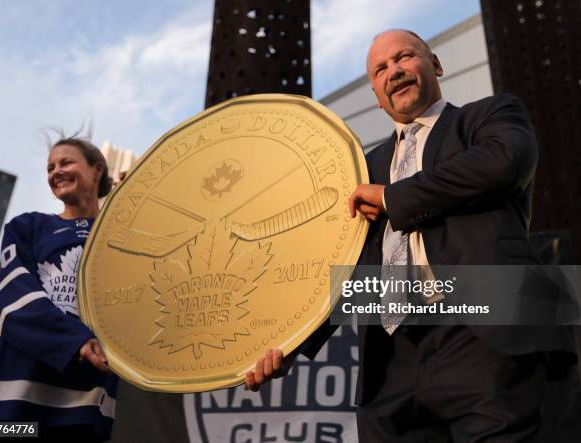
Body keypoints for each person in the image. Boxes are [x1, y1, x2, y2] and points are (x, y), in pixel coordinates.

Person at [246, 30, 578, 442]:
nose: (394, 72)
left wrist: (392, 198)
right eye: (380, 69)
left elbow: (504, 162)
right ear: (376, 94)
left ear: (435, 65)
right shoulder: (362, 171)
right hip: (391, 362)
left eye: (404, 57)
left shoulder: (489, 116)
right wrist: (288, 348)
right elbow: (348, 270)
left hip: (484, 335)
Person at [0, 132, 118, 441]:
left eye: (66, 162)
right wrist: (75, 341)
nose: (56, 172)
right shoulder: (28, 226)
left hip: (83, 407)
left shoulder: (121, 235)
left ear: (97, 169)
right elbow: (12, 299)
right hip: (2, 403)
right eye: (50, 168)